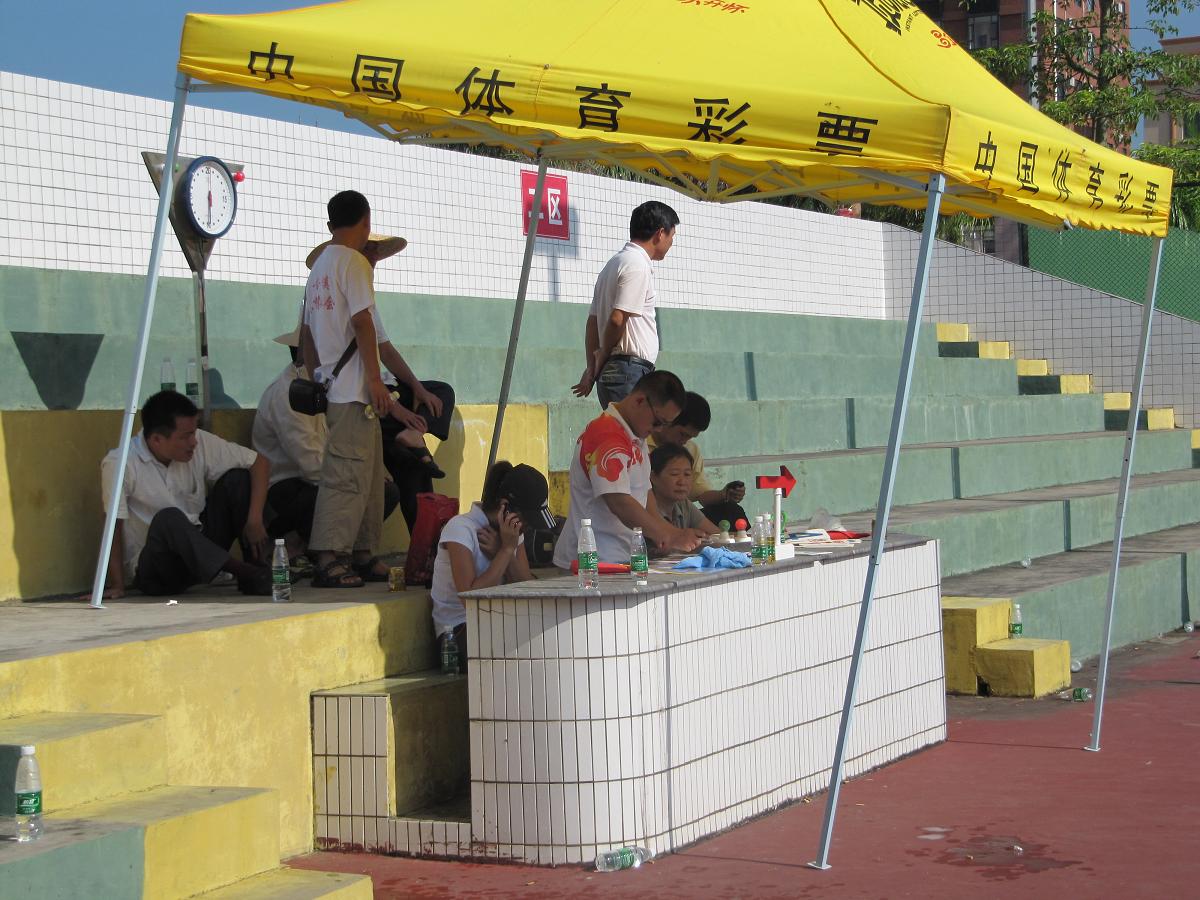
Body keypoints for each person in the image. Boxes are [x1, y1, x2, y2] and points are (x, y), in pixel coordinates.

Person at [305, 233, 456, 532]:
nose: (373, 258)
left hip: (374, 396)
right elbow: (361, 369)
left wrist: (417, 389)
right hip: (360, 401)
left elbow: (385, 350)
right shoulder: (340, 301)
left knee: (435, 400)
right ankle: (337, 549)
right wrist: (396, 407)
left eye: (375, 252)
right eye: (367, 250)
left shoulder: (360, 298)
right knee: (360, 482)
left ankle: (423, 547)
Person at [302, 189, 394, 588]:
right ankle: (328, 557)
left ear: (330, 224)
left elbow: (306, 334)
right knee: (345, 478)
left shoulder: (318, 267)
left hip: (337, 389)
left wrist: (317, 378)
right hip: (353, 391)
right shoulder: (353, 263)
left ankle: (362, 553)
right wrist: (375, 380)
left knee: (368, 478)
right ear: (367, 222)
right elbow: (362, 323)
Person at [99, 390, 274, 598]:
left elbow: (259, 463)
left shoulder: (197, 441)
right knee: (168, 518)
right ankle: (248, 572)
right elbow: (113, 525)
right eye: (185, 437)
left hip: (199, 549)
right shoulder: (121, 463)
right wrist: (117, 584)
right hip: (159, 569)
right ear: (156, 440)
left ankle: (256, 574)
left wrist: (254, 519)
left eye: (194, 432)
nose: (193, 442)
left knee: (238, 480)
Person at [251, 326, 402, 565]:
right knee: (346, 491)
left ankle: (348, 552)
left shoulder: (327, 385)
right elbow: (310, 463)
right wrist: (351, 477)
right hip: (289, 486)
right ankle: (315, 550)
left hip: (326, 473)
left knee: (384, 492)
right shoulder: (287, 393)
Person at [553, 370, 707, 568]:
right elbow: (619, 501)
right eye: (658, 422)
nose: (659, 430)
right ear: (640, 401)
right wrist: (668, 535)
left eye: (665, 424)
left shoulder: (635, 436)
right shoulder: (607, 435)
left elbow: (644, 493)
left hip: (621, 556)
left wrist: (670, 533)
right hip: (591, 561)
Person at [430, 462, 554, 671]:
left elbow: (528, 590)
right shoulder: (460, 529)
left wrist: (505, 551)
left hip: (498, 622)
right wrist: (505, 551)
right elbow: (470, 599)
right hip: (458, 632)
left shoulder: (512, 533)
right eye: (526, 519)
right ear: (505, 506)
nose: (527, 527)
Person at [572, 201, 679, 408]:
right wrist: (602, 355)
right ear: (660, 234)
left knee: (623, 429)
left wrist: (592, 367)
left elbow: (593, 323)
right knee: (631, 429)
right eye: (672, 236)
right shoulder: (637, 264)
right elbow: (617, 318)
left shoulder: (613, 264)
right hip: (628, 372)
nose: (671, 243)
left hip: (618, 372)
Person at [647, 391, 746, 509]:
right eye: (682, 434)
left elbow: (701, 494)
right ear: (669, 420)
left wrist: (724, 494)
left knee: (732, 510)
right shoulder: (639, 443)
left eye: (687, 474)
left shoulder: (690, 449)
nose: (684, 441)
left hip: (679, 513)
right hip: (646, 509)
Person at [649, 443, 719, 537]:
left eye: (687, 474)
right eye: (674, 474)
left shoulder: (683, 504)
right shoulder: (642, 508)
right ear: (653, 477)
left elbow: (717, 535)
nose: (682, 482)